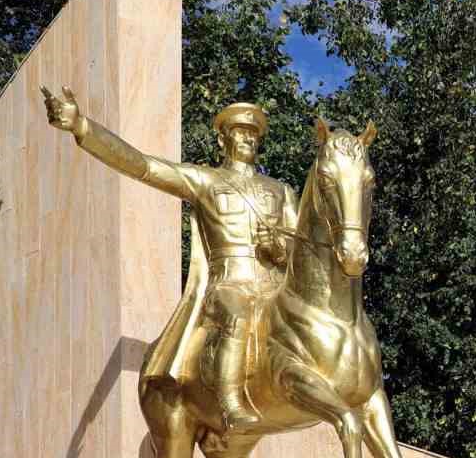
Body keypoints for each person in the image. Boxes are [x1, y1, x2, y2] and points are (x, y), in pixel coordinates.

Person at [42, 89, 296, 431]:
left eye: (253, 133)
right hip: (229, 285)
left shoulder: (281, 191)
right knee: (236, 314)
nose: (248, 138)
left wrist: (279, 248)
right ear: (223, 140)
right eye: (239, 132)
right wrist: (82, 127)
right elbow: (143, 166)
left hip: (272, 288)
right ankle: (230, 401)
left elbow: (299, 250)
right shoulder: (205, 180)